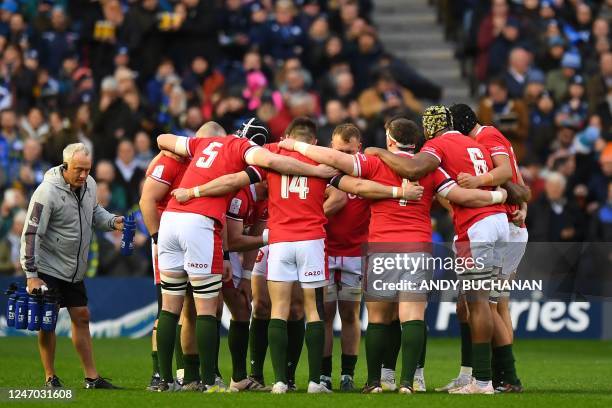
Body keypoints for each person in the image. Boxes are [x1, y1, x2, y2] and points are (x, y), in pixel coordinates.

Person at [153, 121, 337, 392]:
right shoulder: (243, 148)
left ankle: (165, 381)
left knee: (171, 307)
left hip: (170, 219)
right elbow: (270, 164)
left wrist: (172, 155)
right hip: (201, 222)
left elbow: (161, 136)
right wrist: (315, 171)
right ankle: (209, 382)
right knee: (207, 308)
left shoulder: (200, 144)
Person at [364, 106, 509, 394]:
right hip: (432, 241)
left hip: (390, 242)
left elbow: (348, 175)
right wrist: (501, 195)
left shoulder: (422, 155)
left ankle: (377, 381)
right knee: (424, 314)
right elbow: (459, 193)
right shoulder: (472, 145)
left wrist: (377, 153)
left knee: (382, 316)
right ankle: (412, 380)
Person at [20, 143, 125, 389]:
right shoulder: (46, 192)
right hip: (48, 266)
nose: (84, 175)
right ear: (65, 166)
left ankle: (91, 377)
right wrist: (31, 275)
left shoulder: (89, 185)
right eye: (79, 170)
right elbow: (31, 233)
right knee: (49, 320)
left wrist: (112, 221)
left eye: (88, 170)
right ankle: (50, 377)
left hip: (74, 267)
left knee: (82, 316)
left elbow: (94, 212)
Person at [449, 103, 528, 393]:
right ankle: (498, 375)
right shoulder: (490, 137)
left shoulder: (487, 138)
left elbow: (506, 170)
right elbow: (516, 178)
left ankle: (506, 376)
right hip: (507, 223)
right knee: (494, 304)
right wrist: (523, 205)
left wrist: (476, 181)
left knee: (488, 305)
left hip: (503, 225)